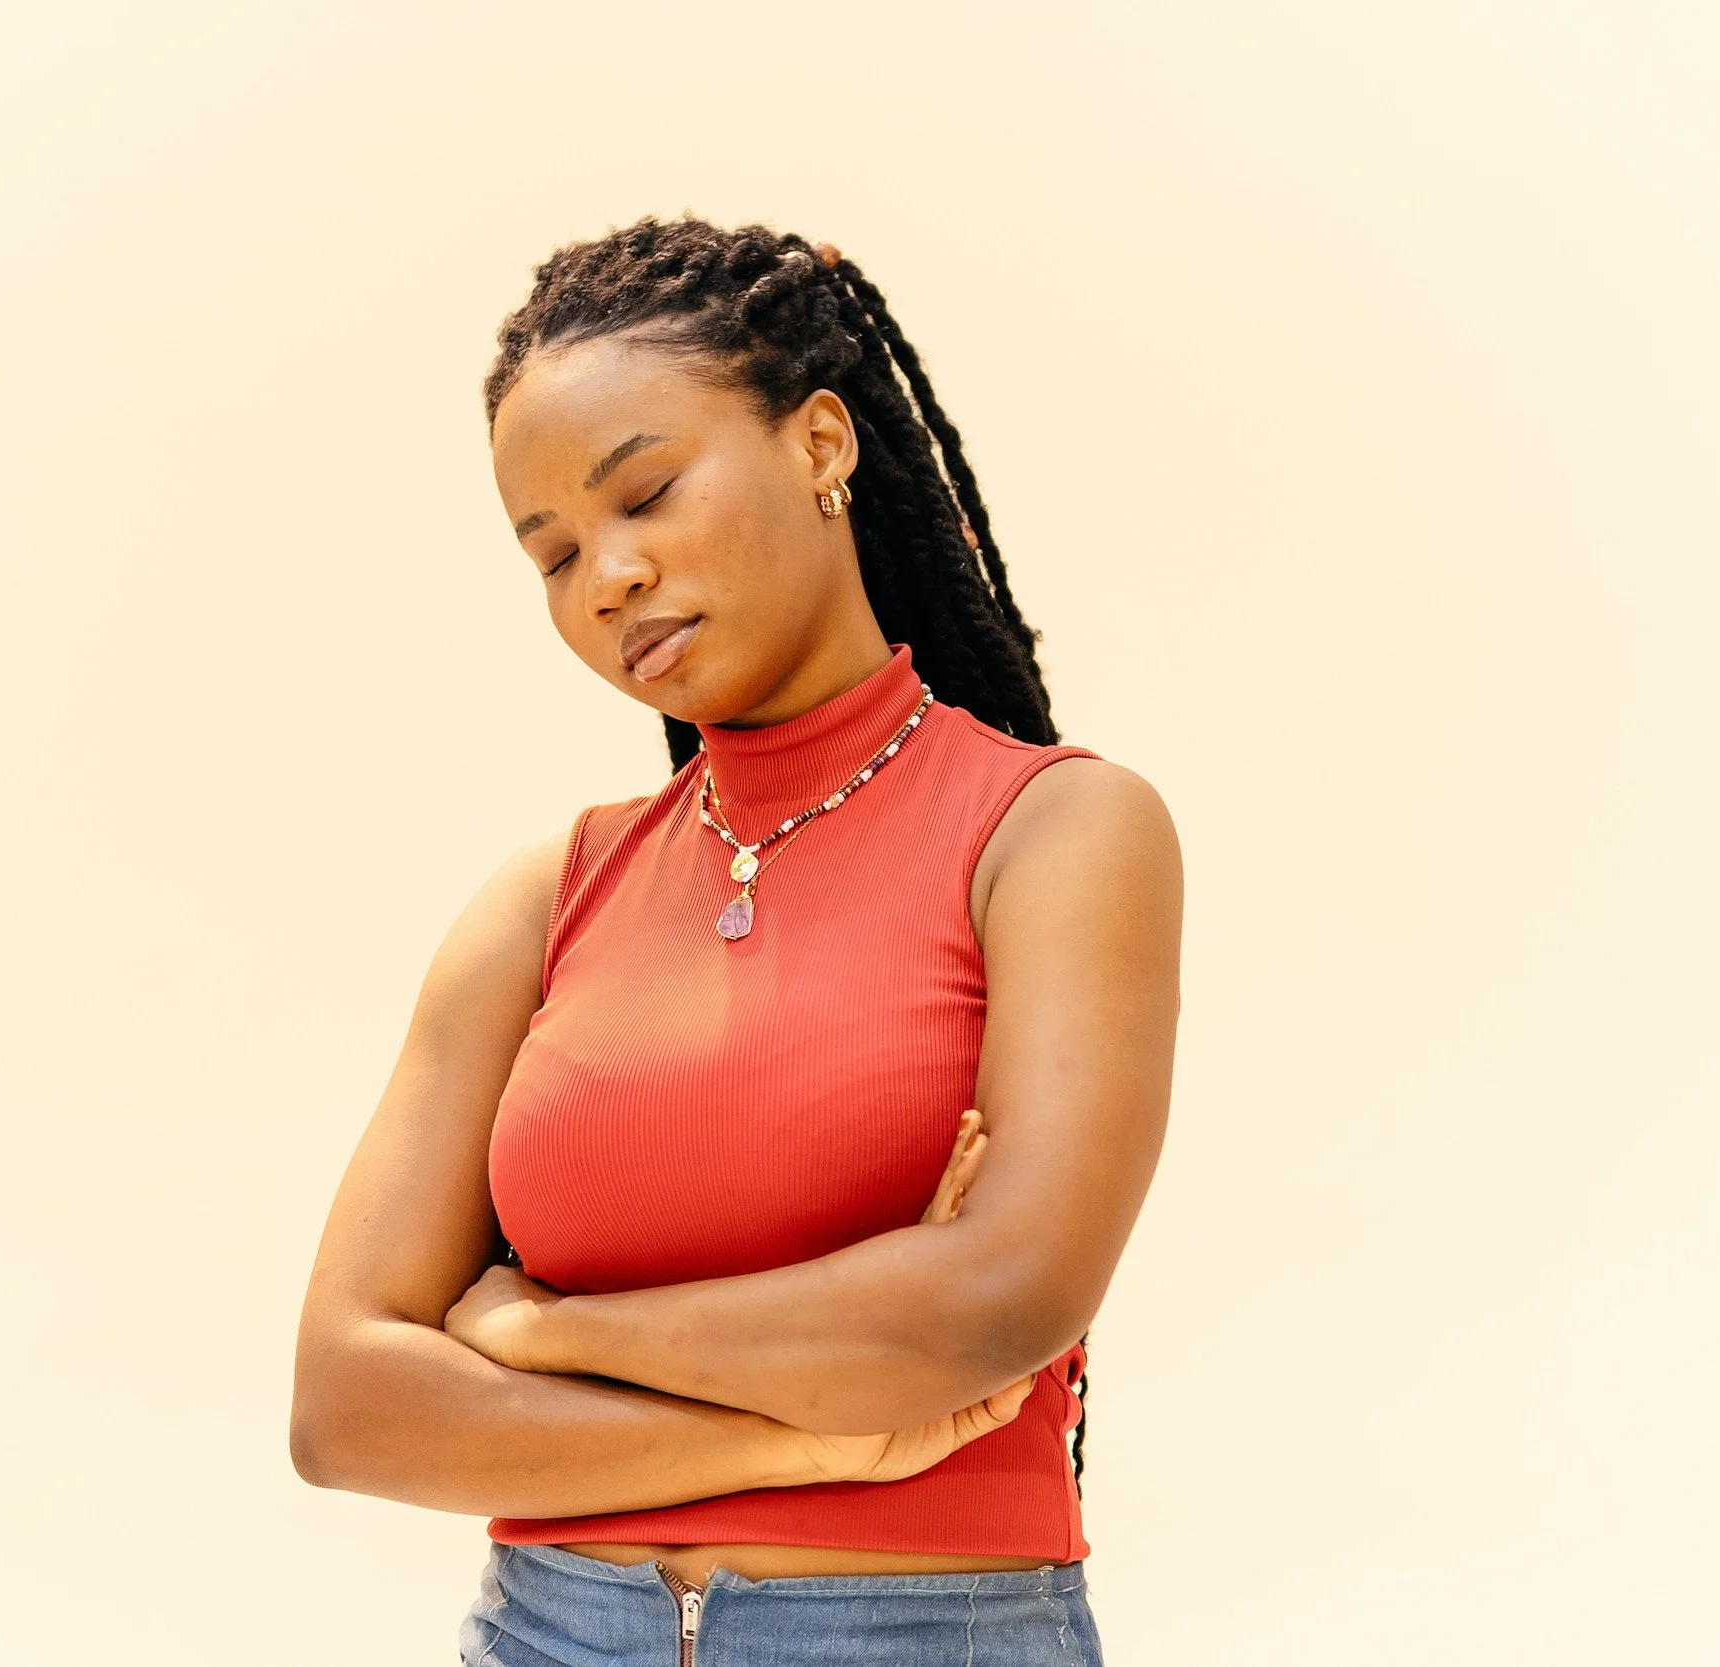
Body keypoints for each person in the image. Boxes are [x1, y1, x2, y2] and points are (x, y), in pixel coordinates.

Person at [289, 216, 1182, 1666]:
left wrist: (546, 1332)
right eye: (555, 551)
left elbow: (997, 1301)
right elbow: (346, 1405)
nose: (607, 576)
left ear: (822, 443)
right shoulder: (549, 896)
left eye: (646, 493)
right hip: (550, 1633)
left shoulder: (1053, 835)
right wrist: (828, 1442)